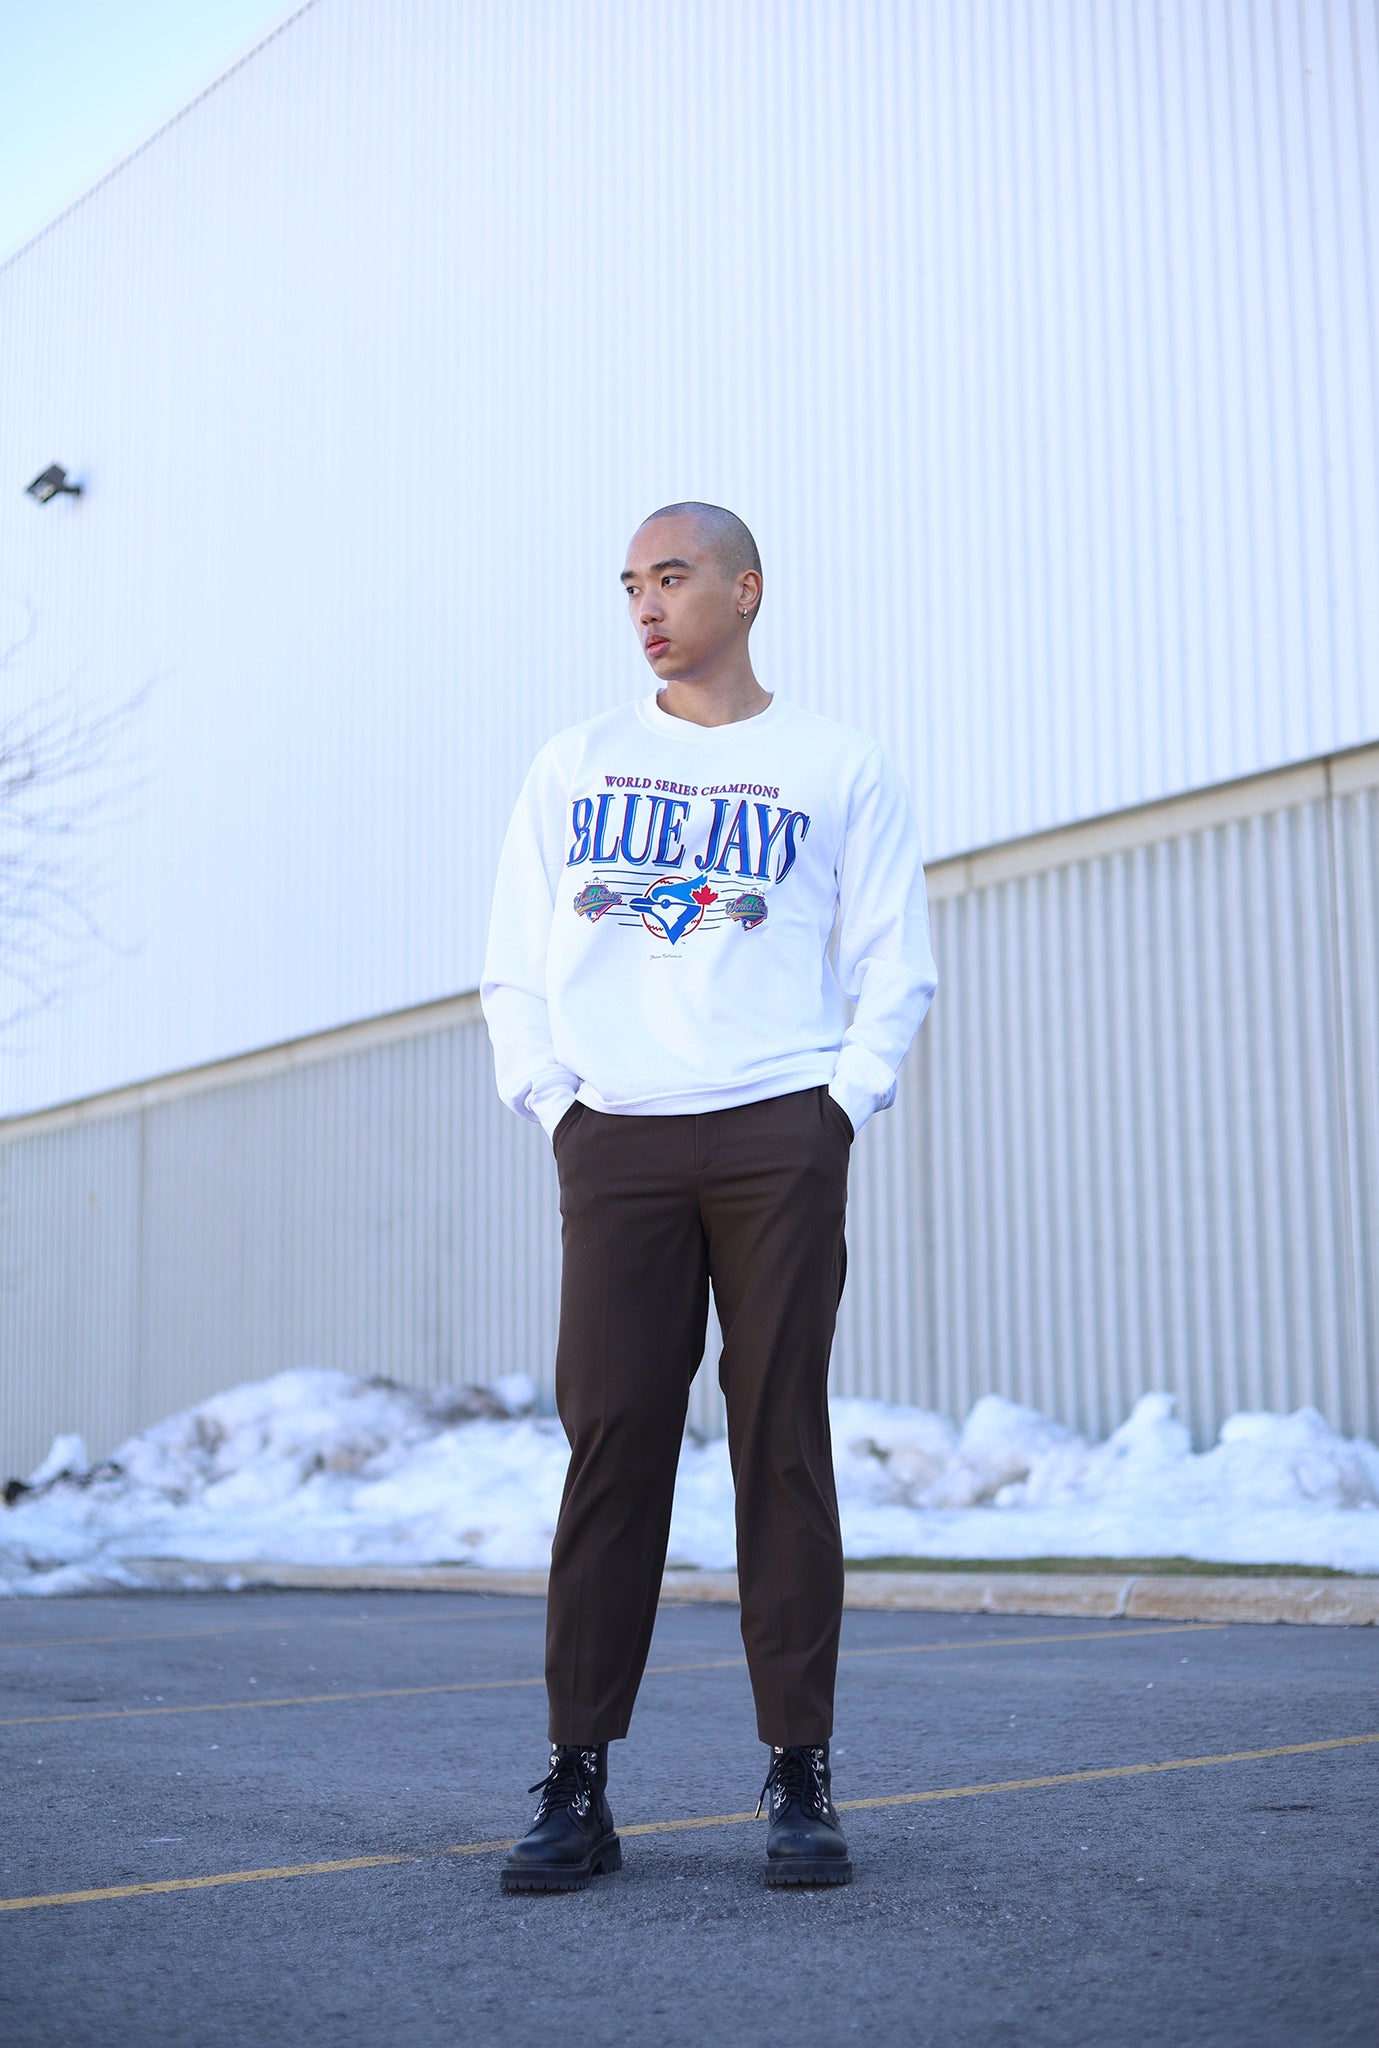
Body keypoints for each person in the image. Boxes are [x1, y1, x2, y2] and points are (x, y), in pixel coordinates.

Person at [480, 501, 937, 1893]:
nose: (646, 605)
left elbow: (895, 958)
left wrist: (835, 1111)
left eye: (671, 578)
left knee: (776, 1441)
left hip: (775, 1133)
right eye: (630, 584)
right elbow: (512, 961)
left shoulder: (834, 763)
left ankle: (800, 1779)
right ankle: (577, 1784)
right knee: (611, 1442)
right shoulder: (577, 762)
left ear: (746, 589)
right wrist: (560, 1110)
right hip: (615, 1137)